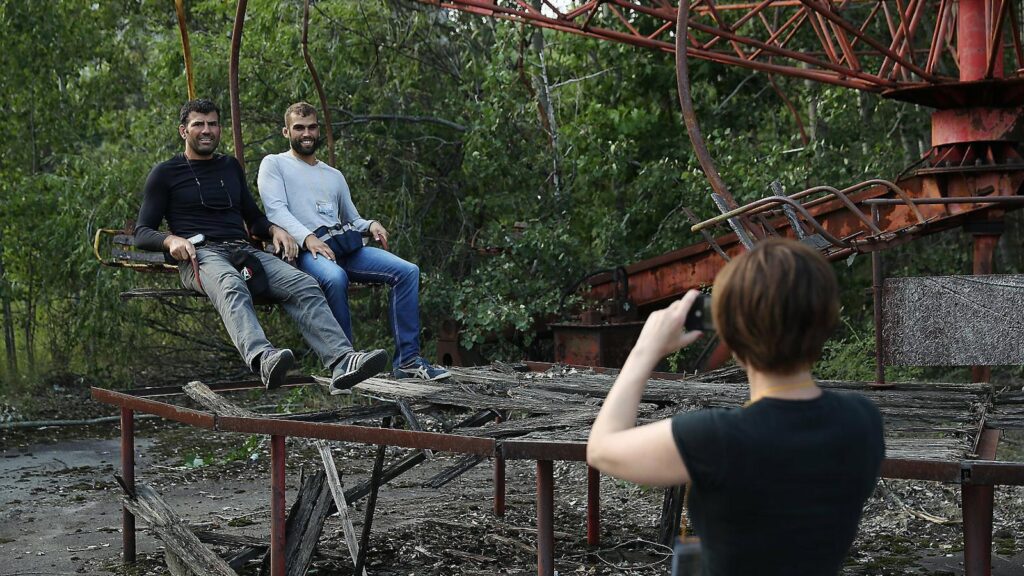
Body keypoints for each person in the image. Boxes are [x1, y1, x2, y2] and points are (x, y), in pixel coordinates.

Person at [587, 238, 884, 575]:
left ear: (732, 339)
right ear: (826, 320)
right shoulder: (863, 422)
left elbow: (601, 448)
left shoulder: (717, 438)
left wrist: (645, 351)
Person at [135, 98, 389, 393]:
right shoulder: (165, 173)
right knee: (232, 285)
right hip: (200, 256)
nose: (207, 130)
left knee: (304, 284)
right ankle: (263, 358)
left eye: (213, 124)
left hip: (244, 251)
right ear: (183, 131)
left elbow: (252, 217)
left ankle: (343, 361)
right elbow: (142, 232)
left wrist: (273, 229)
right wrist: (170, 240)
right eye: (198, 124)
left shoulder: (229, 167)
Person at [257, 101, 450, 381]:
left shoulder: (333, 175)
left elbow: (351, 218)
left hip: (342, 247)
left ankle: (408, 360)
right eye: (299, 128)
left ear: (319, 130)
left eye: (311, 127)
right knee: (335, 278)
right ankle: (345, 362)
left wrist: (371, 224)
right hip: (306, 252)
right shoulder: (274, 164)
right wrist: (308, 238)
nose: (306, 133)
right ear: (286, 132)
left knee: (407, 271)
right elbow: (276, 211)